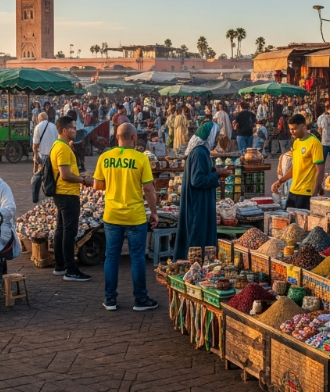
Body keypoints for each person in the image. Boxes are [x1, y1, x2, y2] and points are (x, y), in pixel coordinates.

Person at [93, 123, 159, 312]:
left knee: (111, 257)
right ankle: (140, 299)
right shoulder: (140, 159)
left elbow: (98, 185)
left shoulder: (105, 157)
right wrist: (154, 212)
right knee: (137, 257)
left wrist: (115, 184)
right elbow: (148, 188)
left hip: (112, 214)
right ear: (134, 138)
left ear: (116, 137)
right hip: (135, 216)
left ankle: (110, 299)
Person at [174, 122, 232, 259]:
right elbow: (197, 180)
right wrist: (217, 174)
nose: (217, 139)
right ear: (209, 136)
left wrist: (216, 172)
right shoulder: (199, 152)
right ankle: (194, 264)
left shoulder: (202, 151)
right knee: (197, 235)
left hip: (200, 201)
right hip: (197, 203)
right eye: (216, 136)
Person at [50, 116, 94, 282]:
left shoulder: (59, 145)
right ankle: (70, 269)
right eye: (73, 128)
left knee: (61, 229)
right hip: (67, 194)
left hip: (63, 193)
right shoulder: (62, 148)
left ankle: (60, 265)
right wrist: (83, 180)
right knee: (69, 232)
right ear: (64, 130)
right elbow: (65, 175)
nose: (75, 131)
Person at [271, 114, 325, 210]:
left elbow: (320, 170)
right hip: (293, 190)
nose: (292, 132)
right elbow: (295, 167)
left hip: (306, 193)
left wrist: (315, 192)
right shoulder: (296, 142)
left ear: (303, 126)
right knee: (290, 222)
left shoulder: (314, 143)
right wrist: (280, 181)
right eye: (290, 129)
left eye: (294, 129)